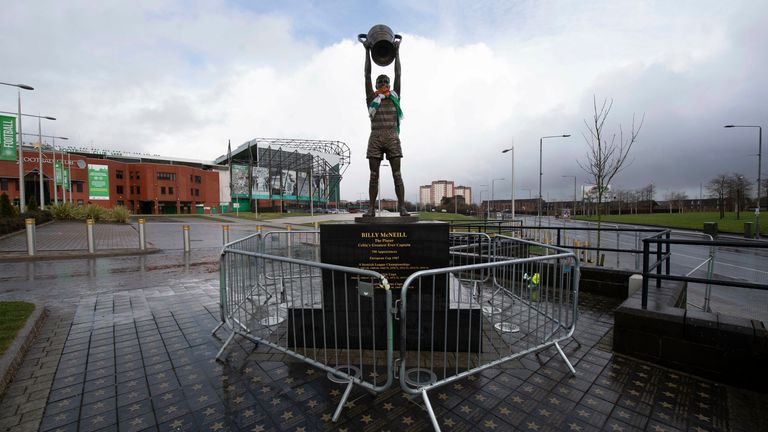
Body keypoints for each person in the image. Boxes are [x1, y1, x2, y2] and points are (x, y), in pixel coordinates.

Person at [363, 39, 408, 217]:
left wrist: (396, 52)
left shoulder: (395, 96)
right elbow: (366, 75)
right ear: (375, 86)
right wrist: (366, 51)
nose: (382, 83)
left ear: (389, 85)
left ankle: (402, 207)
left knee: (397, 174)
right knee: (374, 176)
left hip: (391, 137)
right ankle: (371, 209)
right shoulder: (371, 99)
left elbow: (399, 74)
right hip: (375, 137)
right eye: (379, 81)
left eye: (385, 81)